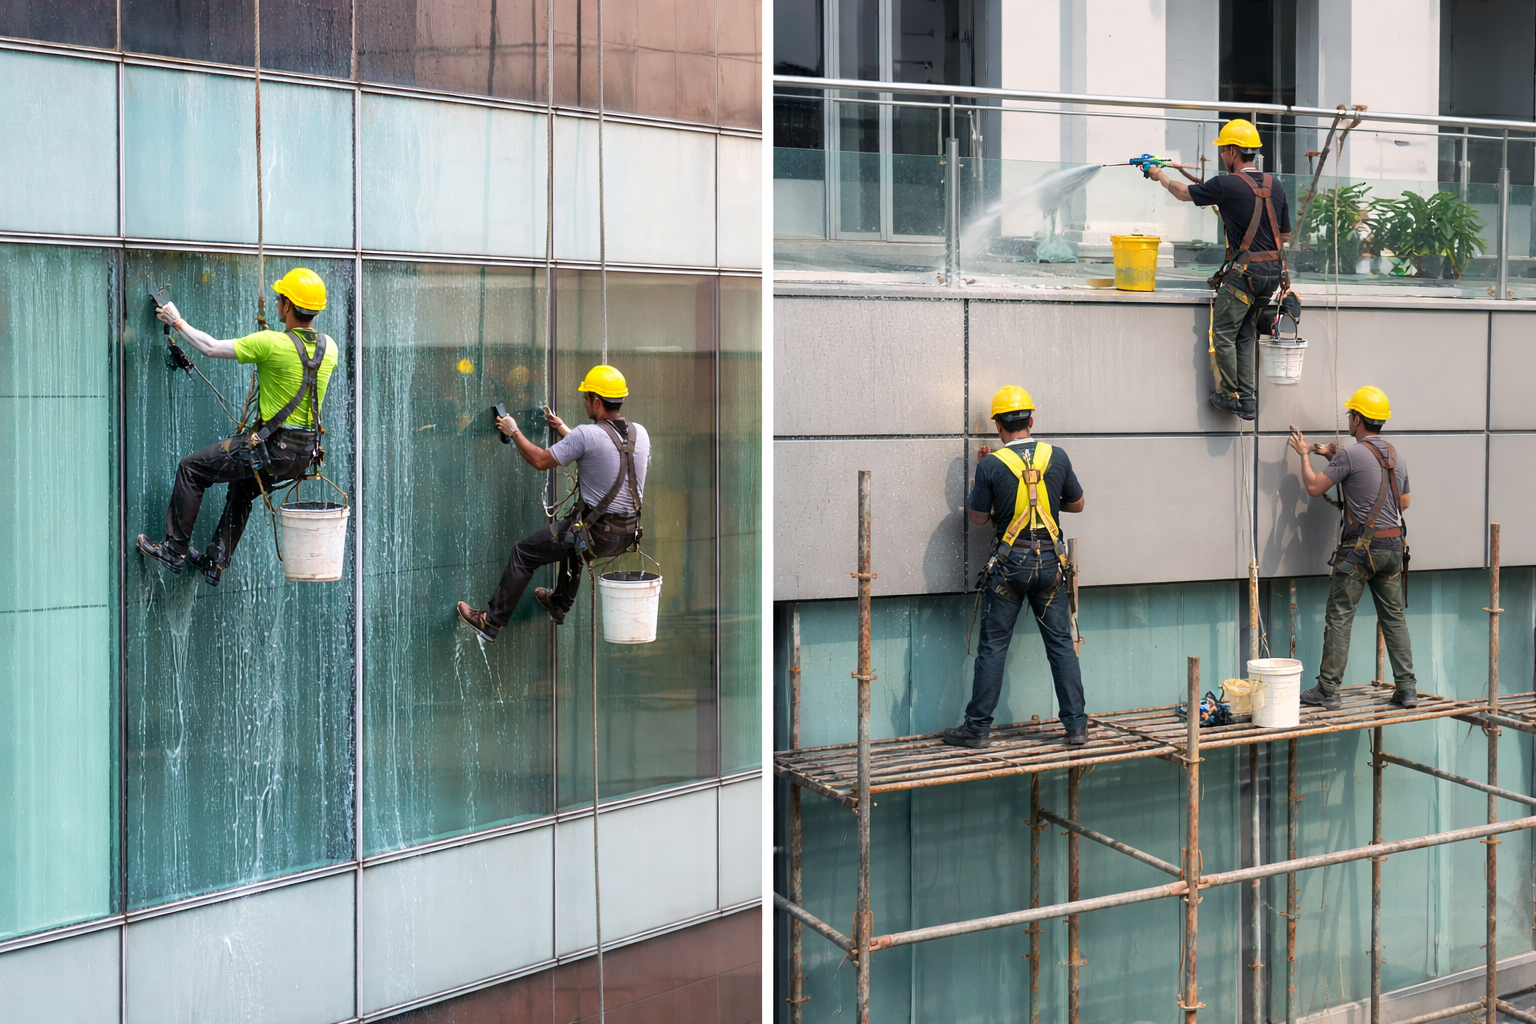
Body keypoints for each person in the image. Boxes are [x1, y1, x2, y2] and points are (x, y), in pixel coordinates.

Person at [136, 268, 339, 586]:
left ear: (287, 305)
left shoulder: (271, 343)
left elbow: (210, 347)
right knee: (243, 487)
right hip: (302, 456)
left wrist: (177, 321)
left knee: (192, 469)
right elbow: (296, 358)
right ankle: (214, 562)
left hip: (270, 450)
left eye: (279, 299)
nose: (277, 303)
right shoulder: (330, 348)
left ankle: (173, 550)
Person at [457, 364, 649, 641]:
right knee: (573, 539)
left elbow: (540, 460)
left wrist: (514, 431)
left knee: (525, 552)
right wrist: (565, 431)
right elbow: (608, 452)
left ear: (596, 402)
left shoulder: (586, 434)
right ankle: (559, 604)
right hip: (626, 534)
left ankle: (491, 620)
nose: (584, 401)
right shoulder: (639, 433)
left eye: (586, 397)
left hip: (595, 534)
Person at [943, 386, 1087, 749]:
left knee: (994, 647)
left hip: (1010, 567)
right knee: (1061, 645)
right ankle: (1076, 727)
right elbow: (1077, 504)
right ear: (1031, 420)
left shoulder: (991, 465)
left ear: (997, 425)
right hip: (1050, 565)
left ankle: (977, 729)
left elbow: (978, 518)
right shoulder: (1057, 456)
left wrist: (985, 481)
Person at [1148, 118, 1291, 421]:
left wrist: (1158, 174)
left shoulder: (1227, 184)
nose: (1222, 156)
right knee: (1246, 334)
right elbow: (1285, 234)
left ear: (1232, 151)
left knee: (1224, 333)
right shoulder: (1274, 184)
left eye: (1223, 150)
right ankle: (1247, 400)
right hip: (1271, 276)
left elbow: (1183, 193)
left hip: (1245, 275)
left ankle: (1230, 395)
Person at [1287, 386, 1417, 710]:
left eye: (1350, 414)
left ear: (1357, 419)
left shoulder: (1350, 455)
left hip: (1360, 551)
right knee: (1394, 619)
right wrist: (1337, 460)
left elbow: (1314, 487)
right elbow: (1403, 502)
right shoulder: (1396, 456)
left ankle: (1328, 690)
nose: (1348, 418)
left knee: (1340, 617)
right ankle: (1407, 690)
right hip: (1393, 549)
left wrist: (1304, 454)